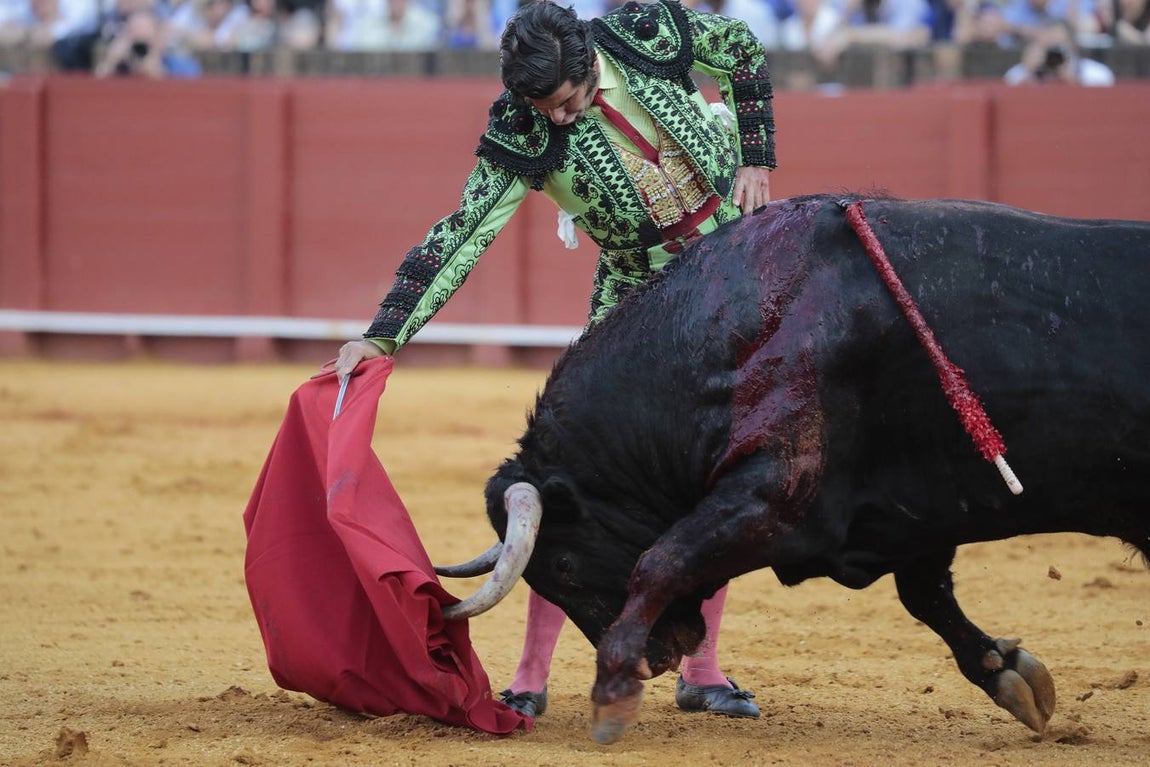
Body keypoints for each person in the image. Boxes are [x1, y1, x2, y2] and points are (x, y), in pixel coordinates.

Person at [324, 0, 776, 721]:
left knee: (716, 475)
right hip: (636, 300)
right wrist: (383, 335)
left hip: (732, 274)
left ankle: (704, 668)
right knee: (567, 489)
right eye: (546, 109)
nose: (559, 119)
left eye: (566, 102)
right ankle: (530, 676)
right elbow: (464, 229)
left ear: (584, 60)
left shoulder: (646, 30)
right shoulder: (524, 123)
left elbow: (746, 50)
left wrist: (756, 154)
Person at [1003, 16, 1115, 83]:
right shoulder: (1021, 73)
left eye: (1058, 46)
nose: (1053, 53)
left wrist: (1071, 77)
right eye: (1048, 46)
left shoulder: (1096, 73)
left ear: (1072, 46)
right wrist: (1028, 72)